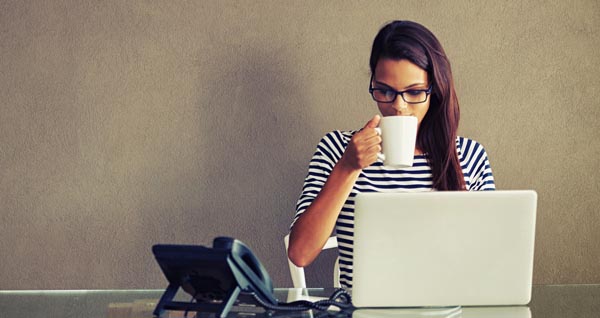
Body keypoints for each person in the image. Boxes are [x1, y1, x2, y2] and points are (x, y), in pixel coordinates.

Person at [287, 20, 496, 288]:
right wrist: (348, 168)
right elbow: (300, 253)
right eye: (385, 91)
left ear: (436, 90)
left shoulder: (469, 157)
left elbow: (488, 261)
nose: (398, 106)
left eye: (415, 92)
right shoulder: (337, 149)